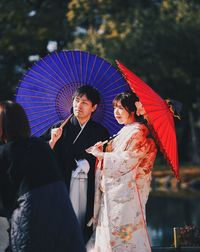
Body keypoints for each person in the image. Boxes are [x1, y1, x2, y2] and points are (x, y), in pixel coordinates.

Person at [0, 101, 86, 252]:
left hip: (31, 212)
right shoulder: (39, 145)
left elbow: (6, 199)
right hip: (61, 207)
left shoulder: (6, 152)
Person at [86, 91, 157, 252]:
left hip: (126, 195)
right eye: (115, 108)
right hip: (116, 193)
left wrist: (102, 155)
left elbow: (128, 160)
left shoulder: (137, 131)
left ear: (132, 110)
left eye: (121, 108)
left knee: (122, 236)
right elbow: (118, 154)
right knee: (111, 235)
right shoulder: (127, 130)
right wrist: (104, 148)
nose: (116, 112)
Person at [45, 85, 109, 243]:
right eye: (76, 100)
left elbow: (106, 161)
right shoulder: (58, 128)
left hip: (88, 184)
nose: (78, 105)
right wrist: (52, 141)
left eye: (85, 103)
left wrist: (91, 161)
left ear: (94, 107)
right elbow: (40, 156)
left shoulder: (101, 132)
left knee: (84, 224)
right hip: (63, 183)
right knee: (62, 224)